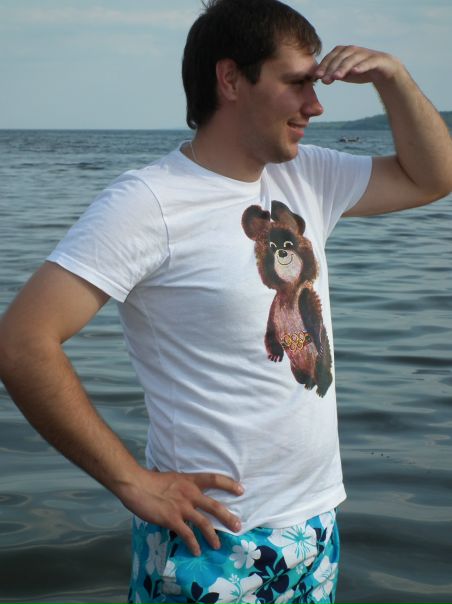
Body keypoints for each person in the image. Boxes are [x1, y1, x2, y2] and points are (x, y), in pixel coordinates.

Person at [1, 0, 451, 602]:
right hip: (211, 542)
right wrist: (132, 482)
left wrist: (393, 77)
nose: (315, 106)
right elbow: (22, 341)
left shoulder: (306, 176)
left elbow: (433, 177)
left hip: (315, 524)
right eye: (297, 83)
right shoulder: (149, 203)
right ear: (231, 79)